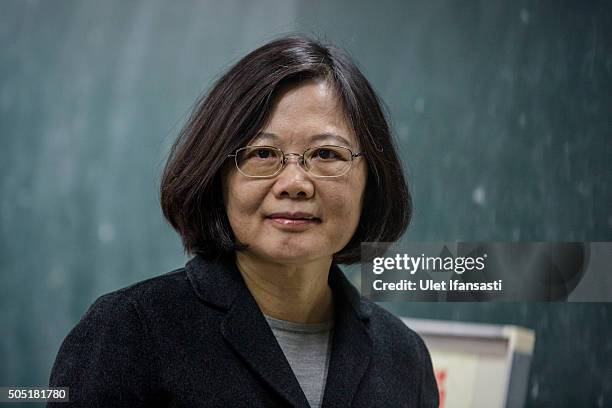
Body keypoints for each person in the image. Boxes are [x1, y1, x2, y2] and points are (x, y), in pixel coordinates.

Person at [48, 34, 439, 407]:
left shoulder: (405, 357)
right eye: (263, 153)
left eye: (326, 155)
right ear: (219, 175)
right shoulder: (129, 332)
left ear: (372, 178)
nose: (295, 183)